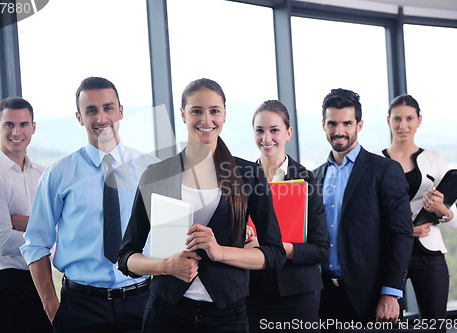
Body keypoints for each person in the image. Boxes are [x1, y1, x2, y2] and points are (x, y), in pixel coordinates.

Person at [118, 78, 286, 333]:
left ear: (225, 115)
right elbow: (126, 257)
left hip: (226, 317)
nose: (206, 120)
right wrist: (165, 266)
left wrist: (220, 252)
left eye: (214, 111)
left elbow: (274, 254)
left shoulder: (249, 175)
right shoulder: (156, 175)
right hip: (165, 315)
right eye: (196, 111)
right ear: (183, 114)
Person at [20, 77, 159, 333]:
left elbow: (169, 238)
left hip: (142, 302)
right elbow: (36, 244)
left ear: (120, 111)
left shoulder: (150, 169)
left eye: (108, 107)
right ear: (79, 117)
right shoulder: (59, 174)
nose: (101, 117)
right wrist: (53, 308)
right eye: (91, 110)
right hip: (80, 309)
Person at [313, 88, 413, 330]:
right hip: (323, 297)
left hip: (371, 297)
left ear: (359, 124)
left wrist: (391, 293)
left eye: (347, 123)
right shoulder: (314, 177)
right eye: (332, 123)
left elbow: (401, 234)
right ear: (323, 125)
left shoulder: (384, 170)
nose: (339, 131)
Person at [245, 100, 329, 332]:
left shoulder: (306, 180)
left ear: (288, 132)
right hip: (250, 295)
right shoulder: (241, 180)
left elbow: (321, 249)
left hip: (295, 296)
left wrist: (277, 247)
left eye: (274, 130)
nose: (266, 138)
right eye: (260, 130)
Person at [0, 97, 51, 332]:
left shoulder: (42, 174)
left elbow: (61, 224)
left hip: (39, 282)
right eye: (9, 125)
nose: (17, 131)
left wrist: (29, 225)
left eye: (24, 124)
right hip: (3, 289)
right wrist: (47, 230)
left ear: (33, 128)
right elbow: (3, 243)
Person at [382, 94, 457, 332]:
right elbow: (368, 217)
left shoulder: (435, 159)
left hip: (430, 255)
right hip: (390, 255)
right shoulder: (376, 161)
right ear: (388, 121)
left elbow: (454, 222)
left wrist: (440, 209)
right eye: (397, 119)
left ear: (419, 120)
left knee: (435, 325)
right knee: (388, 323)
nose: (402, 125)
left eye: (409, 118)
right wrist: (405, 230)